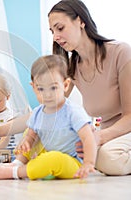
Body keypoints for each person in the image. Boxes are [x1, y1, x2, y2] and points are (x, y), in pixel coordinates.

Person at [48, 0, 131, 176]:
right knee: (72, 152)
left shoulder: (120, 52)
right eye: (52, 31)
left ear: (81, 21)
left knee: (109, 157)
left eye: (60, 28)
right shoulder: (73, 68)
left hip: (125, 130)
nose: (55, 36)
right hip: (111, 136)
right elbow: (49, 106)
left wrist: (99, 137)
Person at [0, 55, 97, 180]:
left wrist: (89, 163)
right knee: (28, 135)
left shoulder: (73, 112)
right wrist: (26, 143)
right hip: (48, 154)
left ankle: (16, 172)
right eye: (41, 89)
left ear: (65, 85)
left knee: (53, 159)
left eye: (53, 88)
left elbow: (88, 138)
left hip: (71, 162)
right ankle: (17, 163)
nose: (47, 94)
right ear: (33, 87)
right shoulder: (37, 113)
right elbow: (31, 135)